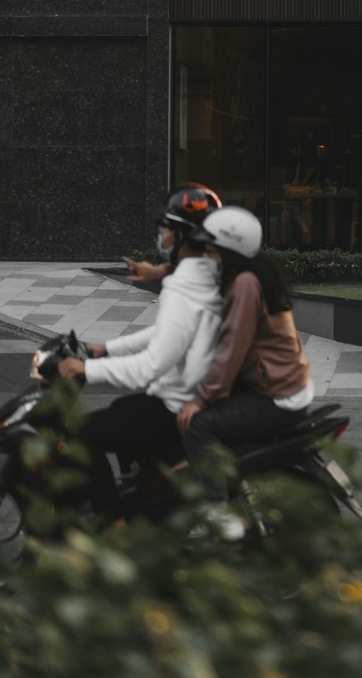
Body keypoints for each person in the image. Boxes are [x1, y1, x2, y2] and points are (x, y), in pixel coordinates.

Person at [57, 184, 224, 516]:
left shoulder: (183, 286)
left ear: (182, 235)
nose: (160, 236)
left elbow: (154, 363)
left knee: (79, 436)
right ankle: (144, 500)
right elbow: (166, 333)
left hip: (178, 405)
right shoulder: (206, 274)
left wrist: (86, 369)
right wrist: (105, 348)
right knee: (124, 409)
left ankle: (112, 522)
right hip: (196, 396)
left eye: (165, 228)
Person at [176, 205, 313, 491]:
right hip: (283, 385)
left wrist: (201, 398)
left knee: (199, 425)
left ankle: (216, 515)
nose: (209, 256)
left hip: (277, 395)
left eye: (212, 250)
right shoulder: (256, 274)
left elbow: (232, 348)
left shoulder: (245, 284)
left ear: (229, 250)